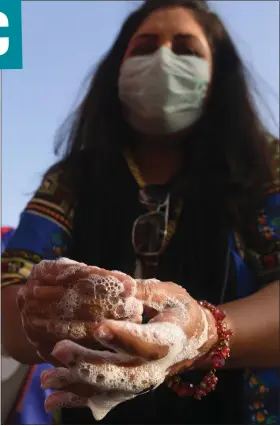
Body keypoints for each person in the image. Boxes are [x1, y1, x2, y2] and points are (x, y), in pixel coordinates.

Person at [2, 0, 279, 424]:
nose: (163, 59)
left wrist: (203, 332)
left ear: (217, 75)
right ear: (117, 69)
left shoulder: (266, 167)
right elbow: (10, 297)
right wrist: (58, 313)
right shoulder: (72, 180)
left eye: (185, 49)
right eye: (145, 46)